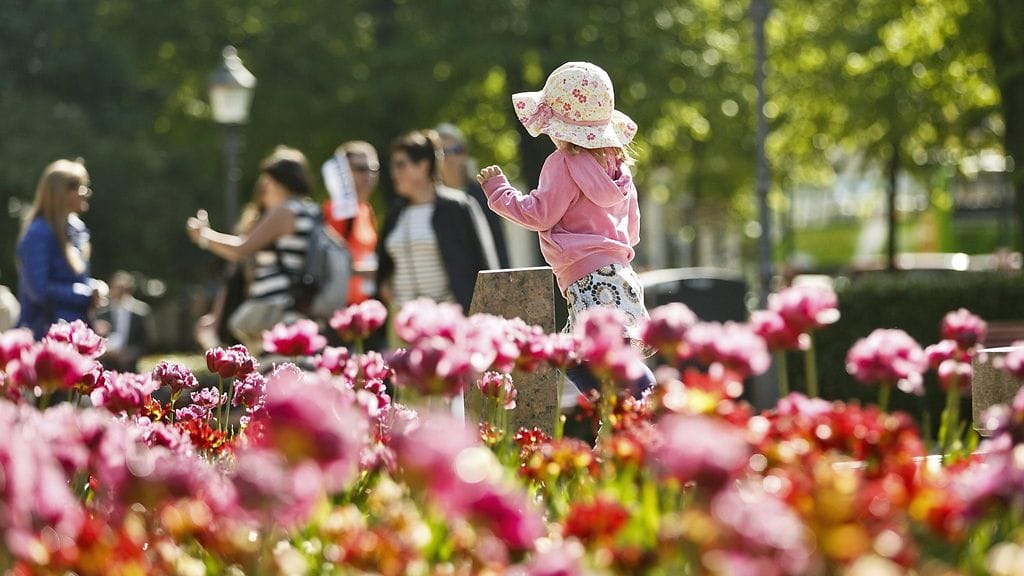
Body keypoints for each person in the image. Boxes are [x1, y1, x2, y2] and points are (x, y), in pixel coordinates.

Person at [476, 62, 654, 396]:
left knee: (581, 359)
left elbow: (540, 214)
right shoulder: (618, 169)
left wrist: (499, 192)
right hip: (620, 276)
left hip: (586, 279)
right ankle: (616, 417)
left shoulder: (562, 164)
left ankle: (641, 388)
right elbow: (633, 230)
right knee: (588, 358)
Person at [186, 146, 320, 353]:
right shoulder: (311, 210)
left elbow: (242, 248)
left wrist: (204, 235)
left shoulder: (285, 211)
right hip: (297, 305)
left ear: (276, 181)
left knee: (271, 376)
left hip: (274, 310)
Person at [376, 129, 499, 315]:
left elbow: (484, 265)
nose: (394, 173)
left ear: (423, 166)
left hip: (448, 318)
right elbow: (385, 265)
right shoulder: (396, 212)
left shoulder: (458, 206)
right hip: (403, 319)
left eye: (401, 165)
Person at [16, 158, 98, 339]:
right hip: (44, 333)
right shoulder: (39, 233)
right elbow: (39, 290)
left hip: (73, 332)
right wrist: (86, 294)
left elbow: (77, 281)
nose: (86, 194)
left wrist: (93, 289)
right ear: (64, 193)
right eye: (81, 188)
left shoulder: (75, 229)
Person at [436, 123, 510, 268]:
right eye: (444, 152)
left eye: (457, 150)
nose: (451, 157)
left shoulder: (483, 194)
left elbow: (498, 244)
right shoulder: (429, 199)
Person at [322, 140, 381, 305]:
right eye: (361, 169)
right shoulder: (335, 211)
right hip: (338, 305)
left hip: (363, 304)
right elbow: (328, 262)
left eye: (373, 168)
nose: (368, 175)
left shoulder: (366, 209)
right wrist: (367, 272)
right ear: (343, 172)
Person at [95, 271, 151, 372]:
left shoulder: (140, 312)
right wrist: (106, 351)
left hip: (130, 367)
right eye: (115, 288)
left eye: (122, 289)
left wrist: (130, 353)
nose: (118, 292)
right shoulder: (102, 312)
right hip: (107, 365)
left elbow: (146, 343)